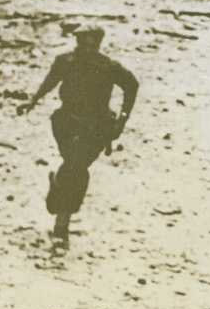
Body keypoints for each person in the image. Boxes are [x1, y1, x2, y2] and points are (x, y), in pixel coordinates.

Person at [16, 28, 138, 243]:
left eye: (92, 45)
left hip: (98, 127)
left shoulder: (108, 67)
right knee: (76, 166)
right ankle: (62, 223)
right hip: (67, 122)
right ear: (77, 43)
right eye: (83, 45)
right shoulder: (66, 61)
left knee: (76, 168)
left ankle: (58, 192)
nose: (87, 50)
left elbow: (132, 85)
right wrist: (33, 101)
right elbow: (50, 81)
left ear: (99, 45)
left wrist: (122, 120)